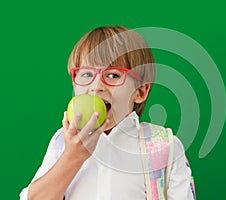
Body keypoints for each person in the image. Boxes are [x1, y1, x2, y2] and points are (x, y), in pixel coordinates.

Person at [20, 25, 196, 200]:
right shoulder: (62, 143)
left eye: (113, 75)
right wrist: (72, 157)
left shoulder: (164, 146)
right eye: (87, 74)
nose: (96, 87)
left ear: (140, 92)